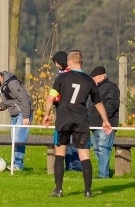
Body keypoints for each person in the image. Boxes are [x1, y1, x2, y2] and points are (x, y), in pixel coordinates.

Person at [42, 50, 112, 197]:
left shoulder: (62, 78)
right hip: (81, 120)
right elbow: (98, 103)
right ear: (81, 62)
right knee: (84, 155)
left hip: (63, 119)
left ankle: (59, 189)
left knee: (60, 153)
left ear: (69, 62)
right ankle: (87, 191)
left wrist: (47, 115)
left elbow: (50, 98)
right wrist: (105, 121)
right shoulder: (89, 80)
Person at [0, 68, 33, 171]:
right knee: (15, 140)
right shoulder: (0, 86)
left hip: (23, 113)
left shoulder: (12, 83)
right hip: (14, 114)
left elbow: (24, 99)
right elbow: (10, 101)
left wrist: (26, 116)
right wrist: (1, 106)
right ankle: (15, 164)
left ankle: (18, 165)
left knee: (18, 139)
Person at [52, 51, 81, 171]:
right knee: (63, 141)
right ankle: (69, 165)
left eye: (57, 62)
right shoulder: (60, 75)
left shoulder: (70, 75)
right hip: (62, 112)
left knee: (73, 141)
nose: (56, 65)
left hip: (71, 112)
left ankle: (76, 166)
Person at [89, 66, 120, 179]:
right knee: (97, 150)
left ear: (102, 76)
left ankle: (103, 175)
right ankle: (104, 172)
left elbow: (112, 105)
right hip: (93, 125)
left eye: (94, 77)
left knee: (103, 150)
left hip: (105, 125)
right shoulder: (94, 89)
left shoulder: (111, 88)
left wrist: (103, 119)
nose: (93, 79)